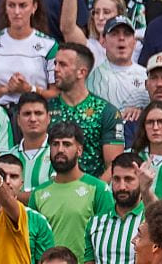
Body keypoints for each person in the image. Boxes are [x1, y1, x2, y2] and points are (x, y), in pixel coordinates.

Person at [29, 122, 111, 264]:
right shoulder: (38, 194)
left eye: (67, 144)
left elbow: (106, 239)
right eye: (55, 144)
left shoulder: (98, 189)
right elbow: (34, 243)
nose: (60, 149)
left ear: (79, 150)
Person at [81, 152, 145, 264]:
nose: (122, 186)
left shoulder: (152, 221)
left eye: (129, 179)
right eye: (116, 179)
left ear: (141, 180)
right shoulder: (95, 223)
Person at [47, 43, 123, 179]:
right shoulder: (45, 110)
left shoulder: (106, 111)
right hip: (50, 189)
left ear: (81, 72)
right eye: (55, 63)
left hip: (92, 190)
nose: (56, 69)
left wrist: (93, 193)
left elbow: (114, 166)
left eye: (63, 65)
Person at [85, 15, 147, 112]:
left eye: (127, 34)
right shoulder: (94, 78)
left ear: (134, 42)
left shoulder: (146, 75)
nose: (121, 38)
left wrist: (142, 113)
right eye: (114, 34)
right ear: (103, 41)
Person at [7, 92, 51, 194]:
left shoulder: (58, 153)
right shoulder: (9, 156)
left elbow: (55, 193)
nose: (33, 119)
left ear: (48, 118)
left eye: (38, 113)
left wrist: (12, 198)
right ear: (18, 120)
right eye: (27, 114)